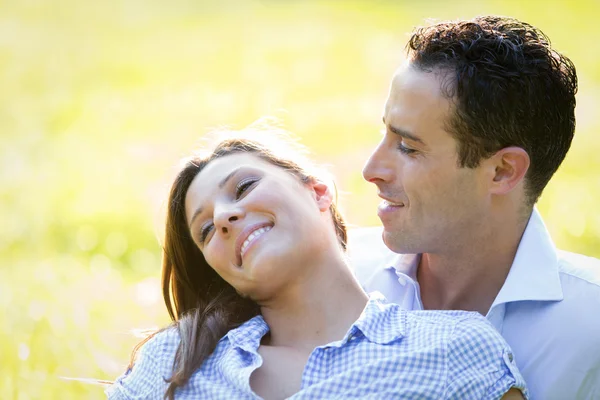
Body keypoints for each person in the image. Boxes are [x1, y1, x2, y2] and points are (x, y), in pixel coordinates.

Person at [106, 127, 527, 399]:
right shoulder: (173, 363)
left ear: (319, 191)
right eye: (206, 232)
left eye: (244, 186)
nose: (223, 218)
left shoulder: (454, 348)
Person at [353, 15, 600, 400]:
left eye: (408, 147)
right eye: (384, 133)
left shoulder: (591, 329)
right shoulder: (341, 277)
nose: (371, 171)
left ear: (502, 171)